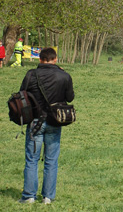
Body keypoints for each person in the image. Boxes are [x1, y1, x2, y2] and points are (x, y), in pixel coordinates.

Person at [18, 47, 74, 204]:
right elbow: (70, 97)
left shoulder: (31, 74)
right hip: (55, 121)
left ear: (40, 59)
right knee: (51, 160)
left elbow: (22, 94)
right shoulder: (64, 75)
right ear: (55, 59)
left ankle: (29, 196)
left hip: (35, 121)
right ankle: (48, 197)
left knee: (32, 159)